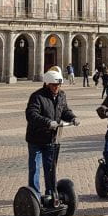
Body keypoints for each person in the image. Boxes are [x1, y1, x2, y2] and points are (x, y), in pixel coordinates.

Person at [25, 67, 77, 202]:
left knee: (50, 167)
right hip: (36, 138)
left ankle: (50, 193)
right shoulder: (37, 96)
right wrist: (47, 122)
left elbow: (64, 110)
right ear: (47, 84)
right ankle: (35, 196)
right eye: (54, 85)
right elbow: (31, 115)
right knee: (35, 168)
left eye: (59, 85)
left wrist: (72, 118)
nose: (57, 87)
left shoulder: (61, 95)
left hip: (51, 139)